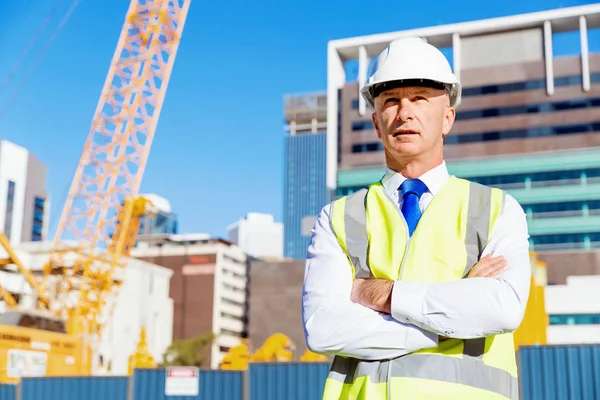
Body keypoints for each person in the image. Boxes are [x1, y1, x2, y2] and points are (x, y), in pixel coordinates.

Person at [301, 37, 531, 400]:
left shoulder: (498, 210)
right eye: (391, 101)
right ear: (377, 124)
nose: (404, 112)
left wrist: (381, 294)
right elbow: (324, 329)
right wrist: (448, 325)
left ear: (448, 118)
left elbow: (501, 310)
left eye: (420, 98)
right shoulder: (338, 217)